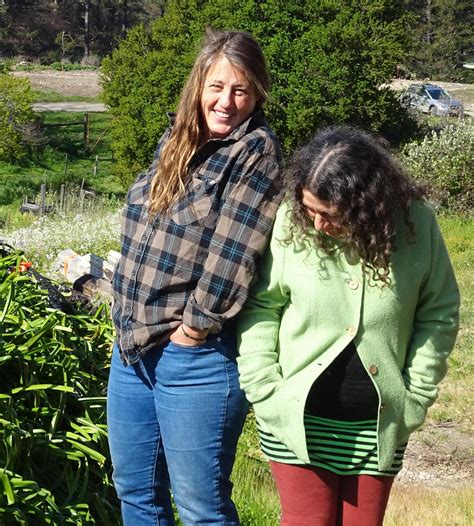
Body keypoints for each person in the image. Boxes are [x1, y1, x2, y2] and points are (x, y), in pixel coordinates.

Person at [237, 126, 460, 526]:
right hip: (296, 421)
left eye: (329, 215)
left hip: (379, 426)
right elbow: (262, 307)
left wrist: (416, 395)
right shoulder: (290, 222)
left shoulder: (416, 225)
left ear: (366, 204)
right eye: (310, 209)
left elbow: (439, 313)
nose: (316, 224)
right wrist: (265, 390)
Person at [107, 29, 282, 525]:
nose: (226, 102)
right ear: (199, 85)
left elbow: (234, 254)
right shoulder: (177, 139)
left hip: (194, 357)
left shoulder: (256, 153)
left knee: (201, 508)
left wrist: (194, 330)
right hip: (132, 348)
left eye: (241, 90)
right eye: (217, 87)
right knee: (136, 493)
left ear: (257, 94)